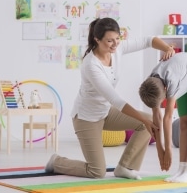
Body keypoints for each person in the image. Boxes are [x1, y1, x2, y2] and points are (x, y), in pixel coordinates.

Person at [45, 17, 175, 180]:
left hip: (105, 112)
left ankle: (125, 167)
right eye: (109, 41)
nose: (115, 44)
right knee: (96, 171)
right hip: (87, 118)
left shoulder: (117, 49)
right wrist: (146, 121)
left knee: (146, 122)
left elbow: (149, 40)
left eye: (117, 39)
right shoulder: (91, 65)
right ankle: (57, 162)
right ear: (97, 39)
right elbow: (116, 100)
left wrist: (167, 48)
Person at [139, 52, 187, 183]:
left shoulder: (172, 82)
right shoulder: (151, 84)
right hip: (184, 79)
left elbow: (167, 117)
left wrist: (169, 150)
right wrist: (160, 149)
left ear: (165, 89)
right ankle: (182, 169)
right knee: (183, 124)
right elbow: (157, 117)